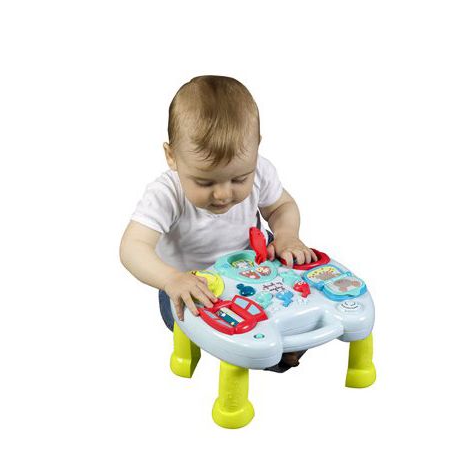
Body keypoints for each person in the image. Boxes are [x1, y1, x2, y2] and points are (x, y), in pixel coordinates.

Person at [119, 75, 316, 371]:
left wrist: (287, 235)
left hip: (254, 269)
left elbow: (282, 206)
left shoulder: (260, 170)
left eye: (239, 179)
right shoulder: (166, 193)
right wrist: (171, 279)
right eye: (205, 182)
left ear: (256, 149)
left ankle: (283, 340)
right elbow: (132, 247)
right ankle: (256, 351)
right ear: (172, 157)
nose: (224, 194)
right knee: (202, 323)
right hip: (195, 285)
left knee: (298, 297)